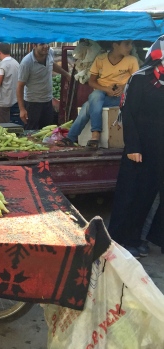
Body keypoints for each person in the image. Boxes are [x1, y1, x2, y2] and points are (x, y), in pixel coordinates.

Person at [107, 36, 164, 258]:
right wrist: (132, 146)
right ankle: (121, 239)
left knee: (149, 195)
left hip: (160, 147)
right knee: (131, 193)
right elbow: (128, 114)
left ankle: (141, 237)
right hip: (139, 147)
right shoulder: (140, 79)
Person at [58, 40, 138, 149]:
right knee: (96, 95)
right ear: (115, 45)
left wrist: (123, 87)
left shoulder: (132, 60)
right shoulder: (101, 59)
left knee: (88, 105)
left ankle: (76, 137)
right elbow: (92, 81)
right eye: (127, 44)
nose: (130, 47)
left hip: (120, 97)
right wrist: (106, 89)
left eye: (131, 44)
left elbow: (136, 80)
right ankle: (93, 135)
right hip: (102, 95)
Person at [17, 43, 71, 130]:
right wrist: (22, 109)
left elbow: (51, 64)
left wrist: (66, 74)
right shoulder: (26, 63)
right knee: (31, 132)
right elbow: (20, 86)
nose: (45, 46)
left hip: (47, 101)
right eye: (42, 44)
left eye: (47, 43)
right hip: (33, 103)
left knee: (47, 131)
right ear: (34, 46)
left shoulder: (50, 52)